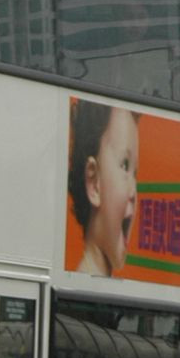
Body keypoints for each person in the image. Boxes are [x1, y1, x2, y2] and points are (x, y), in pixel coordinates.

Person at [67, 99, 139, 277]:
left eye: (135, 173)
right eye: (124, 165)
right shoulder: (82, 282)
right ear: (94, 183)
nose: (134, 192)